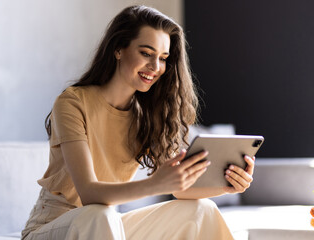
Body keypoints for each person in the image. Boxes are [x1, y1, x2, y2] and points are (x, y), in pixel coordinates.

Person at [21, 5, 255, 240]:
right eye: (146, 53)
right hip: (53, 227)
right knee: (100, 215)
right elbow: (89, 193)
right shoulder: (72, 102)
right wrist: (156, 184)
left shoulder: (147, 115)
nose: (155, 67)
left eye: (163, 58)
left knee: (201, 210)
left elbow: (177, 188)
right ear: (118, 49)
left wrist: (227, 185)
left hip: (106, 225)